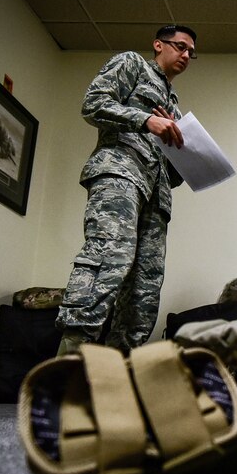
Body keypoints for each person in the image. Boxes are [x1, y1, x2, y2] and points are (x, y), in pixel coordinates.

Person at [56, 25, 198, 355]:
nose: (186, 55)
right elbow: (93, 104)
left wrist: (191, 162)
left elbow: (172, 174)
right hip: (121, 173)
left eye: (191, 52)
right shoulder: (131, 63)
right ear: (158, 45)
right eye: (181, 46)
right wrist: (145, 120)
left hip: (156, 198)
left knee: (144, 288)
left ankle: (119, 368)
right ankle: (68, 360)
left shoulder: (174, 107)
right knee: (109, 258)